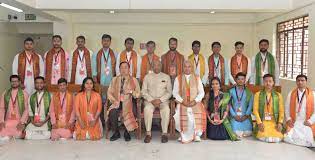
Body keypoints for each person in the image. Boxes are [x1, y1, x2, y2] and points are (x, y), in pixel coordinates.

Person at [173, 60, 206, 143]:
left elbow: (202, 92)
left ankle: (197, 134)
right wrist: (182, 101)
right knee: (179, 113)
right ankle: (183, 133)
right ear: (182, 68)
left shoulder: (197, 78)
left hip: (195, 102)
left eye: (189, 66)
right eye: (185, 66)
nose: (187, 68)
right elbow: (175, 93)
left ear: (192, 68)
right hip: (183, 102)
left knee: (195, 112)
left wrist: (195, 101)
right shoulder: (178, 78)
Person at [107, 62, 141, 141]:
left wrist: (131, 91)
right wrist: (114, 101)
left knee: (132, 110)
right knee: (112, 112)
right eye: (121, 68)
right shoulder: (114, 79)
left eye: (125, 67)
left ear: (129, 69)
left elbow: (139, 94)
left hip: (129, 102)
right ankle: (116, 132)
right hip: (117, 102)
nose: (123, 70)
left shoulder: (134, 80)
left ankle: (127, 132)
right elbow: (109, 92)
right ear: (119, 69)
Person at [141, 60, 172, 143]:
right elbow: (143, 91)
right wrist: (151, 100)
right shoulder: (147, 77)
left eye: (158, 65)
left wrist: (160, 100)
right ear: (152, 66)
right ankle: (148, 134)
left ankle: (164, 134)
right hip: (150, 101)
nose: (157, 67)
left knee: (166, 110)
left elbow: (169, 92)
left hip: (163, 101)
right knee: (147, 109)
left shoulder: (166, 77)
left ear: (161, 66)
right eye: (155, 65)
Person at [284, 74, 315, 147]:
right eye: (298, 80)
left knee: (307, 135)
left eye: (302, 80)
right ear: (296, 82)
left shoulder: (312, 94)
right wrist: (288, 119)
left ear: (306, 82)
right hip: (294, 120)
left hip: (306, 121)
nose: (300, 82)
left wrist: (310, 121)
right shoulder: (291, 93)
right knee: (288, 136)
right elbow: (286, 108)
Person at [253, 74, 284, 143]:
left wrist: (280, 123)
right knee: (265, 136)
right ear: (263, 83)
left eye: (270, 81)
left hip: (274, 121)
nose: (268, 83)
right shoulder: (258, 94)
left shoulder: (278, 95)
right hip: (263, 121)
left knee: (277, 138)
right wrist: (259, 123)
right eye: (266, 81)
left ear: (273, 83)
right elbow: (255, 110)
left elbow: (281, 110)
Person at [0, 75, 29, 141]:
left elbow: (27, 109)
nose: (14, 83)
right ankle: (8, 136)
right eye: (12, 81)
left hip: (19, 120)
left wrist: (22, 122)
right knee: (3, 128)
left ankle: (9, 136)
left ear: (19, 82)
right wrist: (1, 121)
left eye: (16, 81)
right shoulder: (5, 93)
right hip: (8, 119)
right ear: (10, 82)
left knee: (18, 132)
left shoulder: (24, 94)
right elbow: (2, 108)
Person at [229, 72, 253, 138]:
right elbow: (229, 104)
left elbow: (250, 105)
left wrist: (246, 116)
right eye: (238, 79)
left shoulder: (249, 92)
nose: (240, 81)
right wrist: (234, 115)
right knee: (236, 132)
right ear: (235, 80)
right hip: (234, 116)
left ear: (245, 80)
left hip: (245, 116)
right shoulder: (231, 91)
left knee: (248, 132)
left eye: (242, 79)